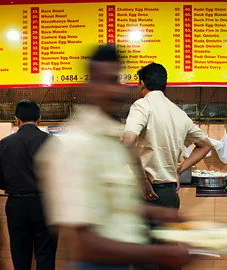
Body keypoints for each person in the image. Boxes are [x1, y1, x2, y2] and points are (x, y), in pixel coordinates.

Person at [36, 45, 195, 270]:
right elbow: (83, 244)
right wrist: (160, 253)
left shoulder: (110, 138)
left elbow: (112, 204)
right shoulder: (75, 145)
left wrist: (155, 211)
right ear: (88, 87)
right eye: (105, 81)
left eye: (116, 80)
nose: (115, 90)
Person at [122, 63, 212, 270]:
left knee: (145, 258)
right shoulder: (178, 113)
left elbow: (127, 142)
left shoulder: (142, 106)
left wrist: (142, 180)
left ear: (142, 83)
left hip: (146, 194)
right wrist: (178, 169)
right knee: (168, 256)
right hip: (170, 195)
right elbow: (205, 146)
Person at [0, 100, 58, 270]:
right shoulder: (53, 142)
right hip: (46, 205)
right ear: (40, 119)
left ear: (16, 119)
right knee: (46, 257)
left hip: (16, 205)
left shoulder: (5, 143)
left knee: (20, 257)